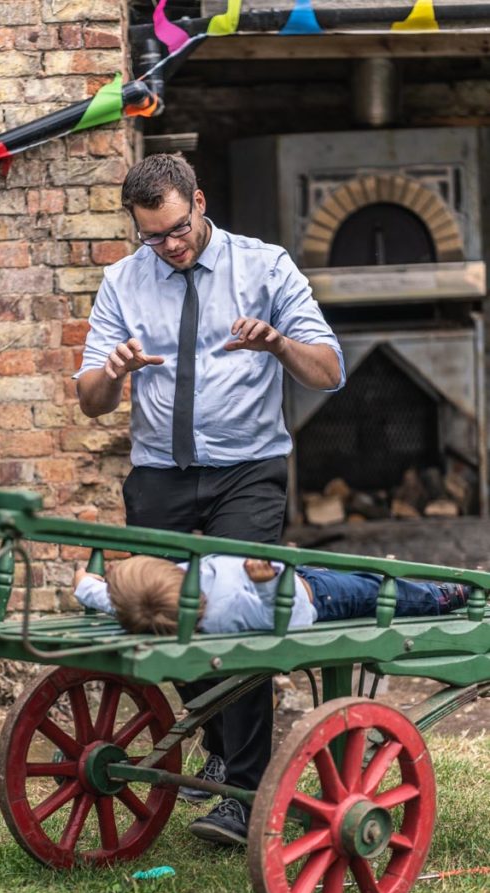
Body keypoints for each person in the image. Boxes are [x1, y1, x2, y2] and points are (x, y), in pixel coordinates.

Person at [74, 152, 345, 845]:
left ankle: (243, 790)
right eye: (151, 237)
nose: (167, 247)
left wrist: (279, 343)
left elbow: (329, 372)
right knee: (157, 613)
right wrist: (112, 371)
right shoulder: (123, 282)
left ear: (197, 202)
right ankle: (225, 745)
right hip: (159, 476)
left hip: (246, 471)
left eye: (174, 229)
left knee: (234, 613)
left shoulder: (265, 267)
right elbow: (91, 402)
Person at [74, 554, 470, 845]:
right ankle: (448, 596)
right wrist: (269, 580)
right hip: (318, 597)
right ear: (166, 575)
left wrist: (85, 584)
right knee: (383, 589)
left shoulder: (157, 610)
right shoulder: (229, 598)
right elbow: (298, 619)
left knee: (362, 576)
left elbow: (109, 599)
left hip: (298, 580)